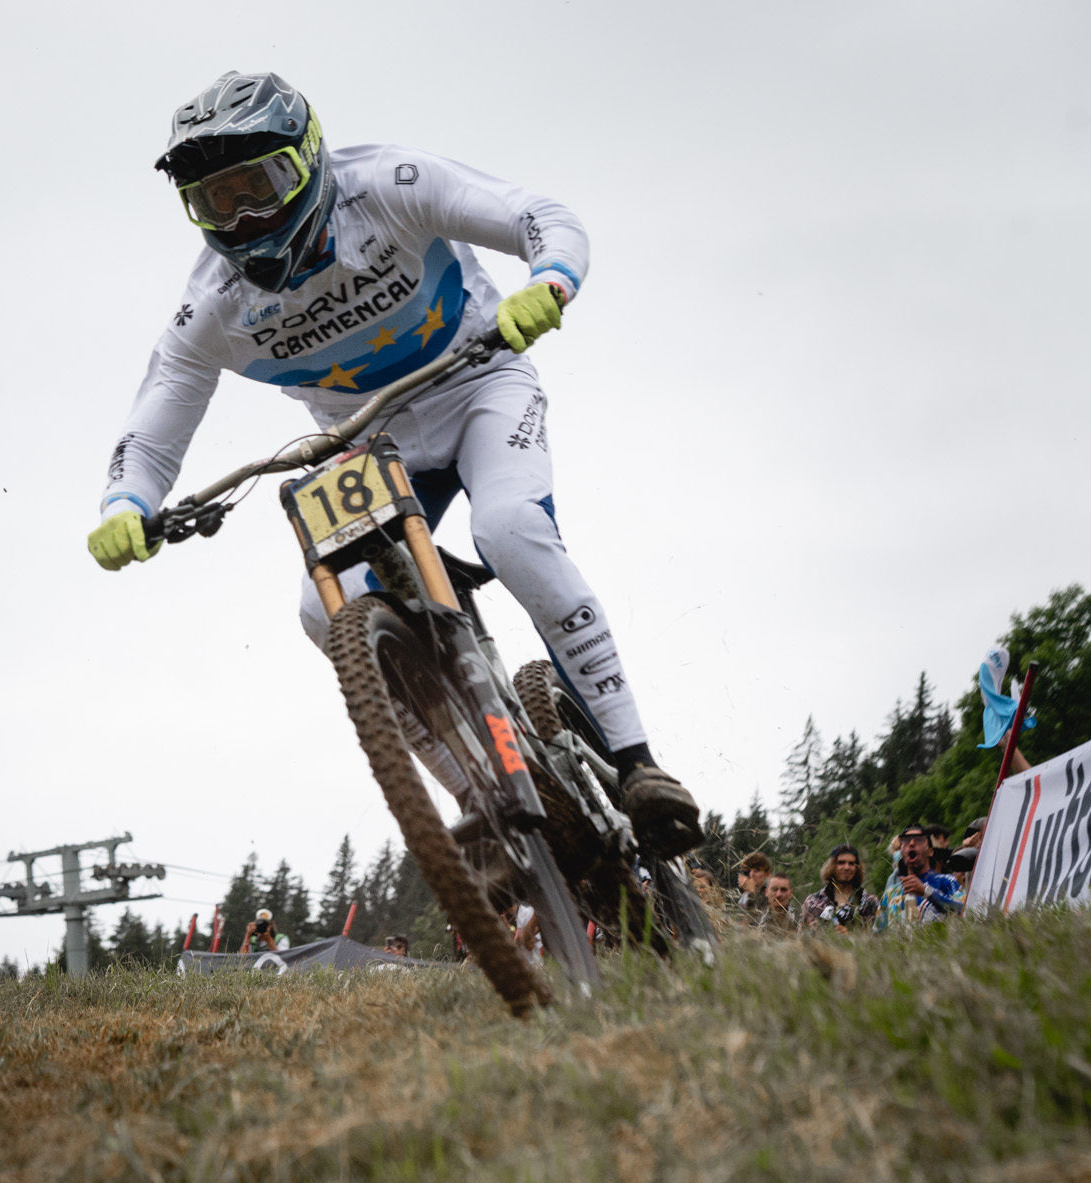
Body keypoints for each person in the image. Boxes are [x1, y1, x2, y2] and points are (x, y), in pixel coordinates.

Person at [87, 71, 702, 857]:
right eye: (215, 201)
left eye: (259, 187)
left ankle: (637, 762)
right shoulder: (213, 303)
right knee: (325, 612)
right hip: (371, 442)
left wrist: (549, 280)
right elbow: (155, 424)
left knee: (509, 527)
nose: (243, 218)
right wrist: (125, 502)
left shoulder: (388, 185)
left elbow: (540, 216)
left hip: (478, 383)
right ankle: (478, 795)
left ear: (308, 160)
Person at [880, 824, 965, 928]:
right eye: (906, 841)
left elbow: (966, 910)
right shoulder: (891, 894)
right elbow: (878, 934)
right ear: (901, 853)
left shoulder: (947, 881)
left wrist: (926, 892)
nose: (911, 843)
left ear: (930, 851)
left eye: (919, 840)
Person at [800, 844, 880, 934]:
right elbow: (801, 937)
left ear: (857, 867)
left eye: (851, 863)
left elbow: (879, 936)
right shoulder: (813, 902)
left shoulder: (869, 902)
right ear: (832, 866)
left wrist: (850, 936)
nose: (846, 867)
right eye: (841, 863)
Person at [735, 852, 772, 923]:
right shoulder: (745, 895)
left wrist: (752, 894)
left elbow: (758, 919)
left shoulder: (772, 894)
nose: (752, 874)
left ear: (767, 873)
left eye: (757, 870)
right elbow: (740, 920)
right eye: (750, 870)